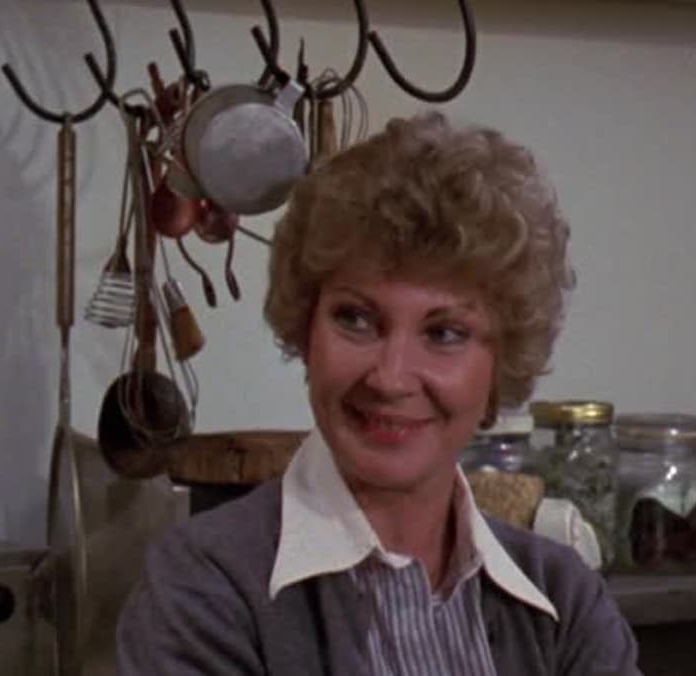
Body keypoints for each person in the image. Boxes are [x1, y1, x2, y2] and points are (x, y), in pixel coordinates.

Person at [116, 111, 640, 675]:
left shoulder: (564, 602)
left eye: (445, 333)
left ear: (502, 364)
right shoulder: (204, 588)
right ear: (306, 329)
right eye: (356, 320)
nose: (390, 378)